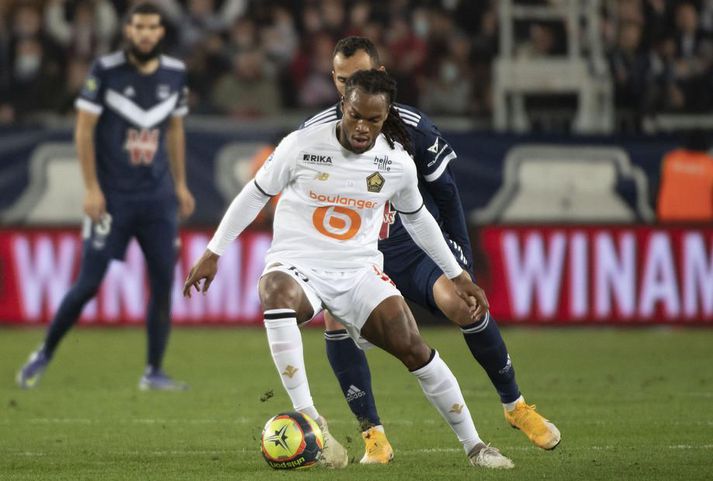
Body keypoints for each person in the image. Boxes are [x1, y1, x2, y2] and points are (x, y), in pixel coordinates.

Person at [184, 69, 514, 470]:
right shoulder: (302, 144)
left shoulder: (396, 163)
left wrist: (458, 275)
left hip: (358, 271)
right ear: (344, 105)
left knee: (414, 348)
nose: (361, 127)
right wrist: (214, 250)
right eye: (355, 115)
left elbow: (419, 220)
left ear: (386, 115)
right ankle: (310, 419)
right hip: (298, 264)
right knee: (274, 290)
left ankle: (476, 446)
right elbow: (256, 192)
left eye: (373, 120)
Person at [299, 37, 560, 463]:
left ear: (381, 76)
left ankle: (516, 407)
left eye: (360, 79)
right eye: (343, 81)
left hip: (409, 248)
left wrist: (462, 264)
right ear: (333, 80)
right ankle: (373, 437)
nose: (351, 90)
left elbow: (446, 195)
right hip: (354, 254)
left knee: (465, 305)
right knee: (334, 320)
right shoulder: (316, 134)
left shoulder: (413, 129)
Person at [16, 2, 195, 391]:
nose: (145, 34)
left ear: (160, 33)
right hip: (113, 198)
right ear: (128, 30)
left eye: (152, 27)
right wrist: (92, 188)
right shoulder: (106, 71)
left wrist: (180, 184)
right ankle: (44, 352)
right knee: (88, 284)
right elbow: (83, 130)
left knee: (163, 283)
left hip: (158, 198)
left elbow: (176, 130)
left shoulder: (176, 74)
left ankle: (153, 371)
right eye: (139, 27)